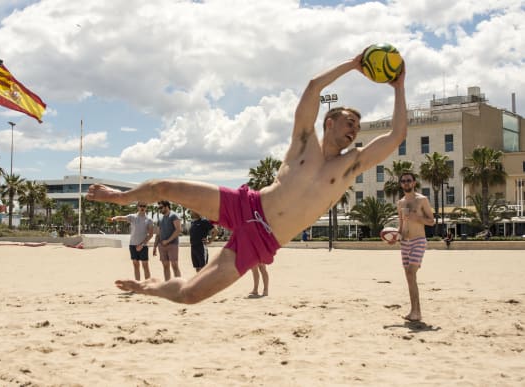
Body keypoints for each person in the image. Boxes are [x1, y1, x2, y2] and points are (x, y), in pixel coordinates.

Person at [87, 51, 408, 304]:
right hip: (246, 205)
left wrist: (399, 87)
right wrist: (353, 65)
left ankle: (150, 289)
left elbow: (396, 136)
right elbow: (314, 87)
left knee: (190, 295)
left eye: (357, 127)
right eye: (350, 122)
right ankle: (118, 196)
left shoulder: (351, 164)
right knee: (163, 187)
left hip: (262, 240)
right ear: (330, 123)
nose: (354, 131)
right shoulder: (304, 141)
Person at [394, 172, 435, 322]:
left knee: (411, 273)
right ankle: (415, 311)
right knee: (410, 277)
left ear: (414, 183)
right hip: (405, 242)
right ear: (401, 184)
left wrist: (416, 218)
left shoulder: (422, 200)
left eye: (408, 180)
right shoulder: (400, 203)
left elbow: (431, 221)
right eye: (403, 181)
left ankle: (416, 312)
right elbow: (401, 225)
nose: (406, 183)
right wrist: (395, 237)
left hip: (418, 240)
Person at [110, 202, 154, 281]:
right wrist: (115, 218)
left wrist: (142, 244)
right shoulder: (132, 217)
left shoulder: (149, 220)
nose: (142, 207)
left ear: (146, 207)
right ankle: (138, 284)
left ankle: (148, 285)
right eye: (141, 206)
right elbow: (122, 218)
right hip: (132, 245)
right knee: (136, 265)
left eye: (144, 206)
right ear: (138, 207)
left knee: (145, 265)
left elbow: (150, 234)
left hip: (143, 246)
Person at [153, 200, 182, 280]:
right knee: (165, 266)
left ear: (167, 206)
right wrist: (155, 246)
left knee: (174, 265)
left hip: (172, 245)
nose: (160, 209)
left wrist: (167, 241)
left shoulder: (174, 216)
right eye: (159, 208)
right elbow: (158, 234)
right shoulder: (160, 219)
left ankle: (178, 285)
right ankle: (168, 285)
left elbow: (178, 230)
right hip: (162, 246)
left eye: (161, 207)